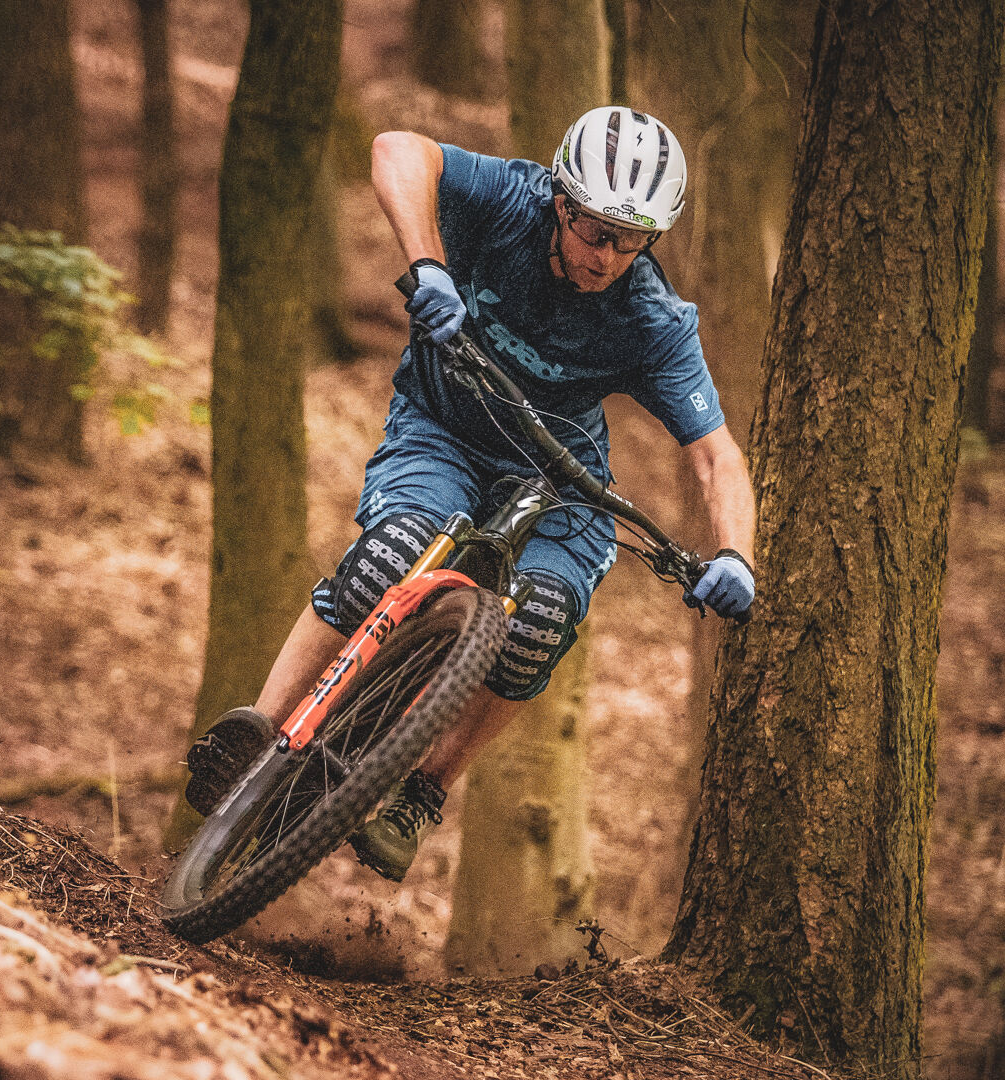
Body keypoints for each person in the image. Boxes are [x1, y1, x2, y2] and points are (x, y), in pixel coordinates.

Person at [186, 106, 756, 882]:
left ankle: (421, 792)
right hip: (442, 428)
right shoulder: (510, 200)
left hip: (562, 479)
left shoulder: (652, 319)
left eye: (631, 240)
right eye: (594, 229)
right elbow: (396, 149)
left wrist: (736, 556)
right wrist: (428, 266)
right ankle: (260, 725)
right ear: (561, 201)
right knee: (389, 558)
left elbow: (716, 456)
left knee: (539, 621)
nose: (607, 255)